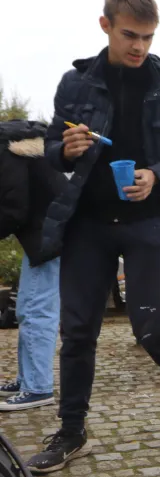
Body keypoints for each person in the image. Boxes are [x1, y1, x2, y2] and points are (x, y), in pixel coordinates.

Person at [29, 0, 160, 474]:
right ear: (105, 26)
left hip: (148, 223)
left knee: (152, 327)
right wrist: (65, 149)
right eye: (129, 35)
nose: (139, 46)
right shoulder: (75, 84)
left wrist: (157, 176)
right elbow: (52, 146)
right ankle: (72, 431)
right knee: (76, 332)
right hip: (88, 225)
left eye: (148, 36)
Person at [0, 120, 67, 411]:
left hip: (52, 238)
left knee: (37, 310)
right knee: (28, 308)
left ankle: (38, 387)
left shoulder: (6, 150)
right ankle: (27, 378)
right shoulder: (13, 143)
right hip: (47, 235)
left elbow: (14, 207)